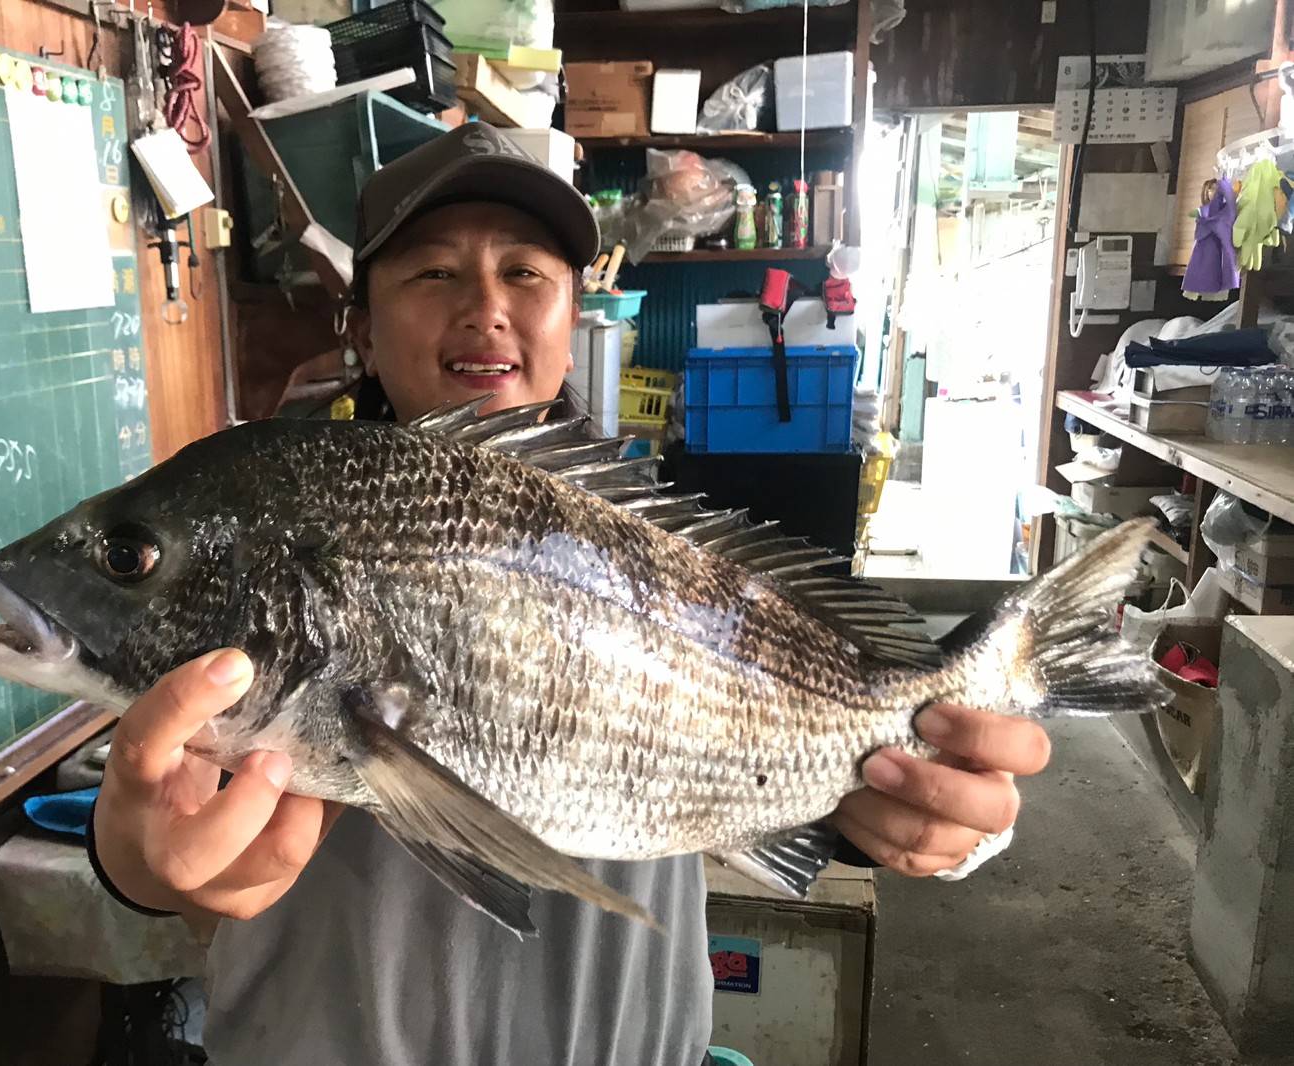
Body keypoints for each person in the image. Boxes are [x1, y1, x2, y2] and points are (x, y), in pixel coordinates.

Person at [89, 123, 1052, 1064]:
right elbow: (147, 805)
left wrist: (916, 813)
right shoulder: (266, 520)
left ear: (572, 311)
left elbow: (795, 764)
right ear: (361, 324)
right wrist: (135, 863)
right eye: (432, 271)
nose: (484, 307)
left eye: (526, 272)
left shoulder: (661, 543)